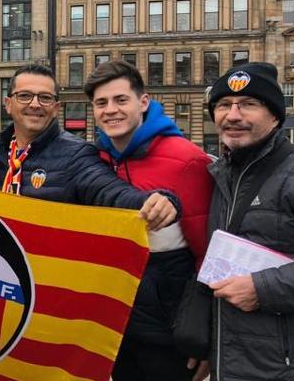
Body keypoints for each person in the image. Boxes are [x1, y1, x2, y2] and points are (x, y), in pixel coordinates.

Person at [205, 62, 294, 380]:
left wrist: (264, 289)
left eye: (249, 104)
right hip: (236, 362)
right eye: (224, 105)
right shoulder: (218, 176)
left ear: (275, 115)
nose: (233, 115)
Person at [84, 60, 212, 381]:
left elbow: (208, 251)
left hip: (167, 332)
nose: (110, 110)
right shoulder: (95, 158)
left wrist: (207, 334)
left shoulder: (186, 159)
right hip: (115, 323)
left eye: (120, 100)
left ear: (144, 102)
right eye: (101, 103)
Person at [0, 63, 179, 228]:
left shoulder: (76, 155)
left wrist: (155, 202)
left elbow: (110, 193)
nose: (35, 104)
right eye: (24, 96)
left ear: (56, 108)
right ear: (8, 104)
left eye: (45, 98)